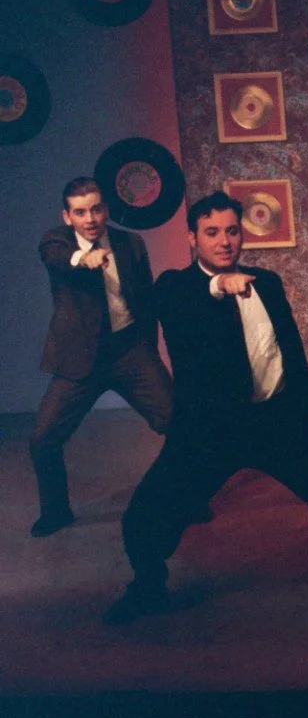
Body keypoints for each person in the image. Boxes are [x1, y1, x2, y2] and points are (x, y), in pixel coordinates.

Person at [105, 193, 308, 624]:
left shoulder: (266, 282)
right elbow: (183, 304)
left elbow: (289, 352)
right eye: (211, 233)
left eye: (231, 231)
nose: (224, 241)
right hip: (211, 431)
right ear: (192, 238)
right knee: (145, 516)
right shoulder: (175, 287)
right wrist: (218, 285)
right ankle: (147, 588)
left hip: (277, 421)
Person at [29, 177, 174, 537]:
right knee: (42, 438)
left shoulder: (130, 243)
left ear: (106, 210)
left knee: (178, 422)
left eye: (96, 209)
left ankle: (185, 499)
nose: (90, 218)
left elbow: (147, 301)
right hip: (80, 361)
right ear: (67, 217)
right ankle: (56, 512)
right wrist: (84, 257)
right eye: (80, 212)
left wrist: (147, 349)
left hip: (130, 352)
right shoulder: (56, 242)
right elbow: (58, 258)